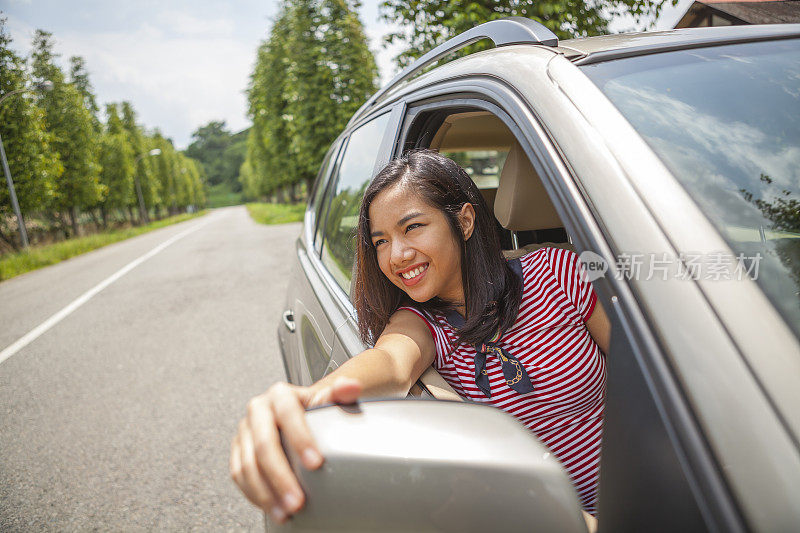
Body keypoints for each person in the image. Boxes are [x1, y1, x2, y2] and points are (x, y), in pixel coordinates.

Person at [230, 149, 611, 524]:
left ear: (464, 222)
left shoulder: (559, 272)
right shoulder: (422, 323)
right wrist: (309, 398)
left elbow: (646, 371)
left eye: (412, 227)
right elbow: (392, 363)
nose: (395, 256)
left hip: (640, 483)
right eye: (380, 241)